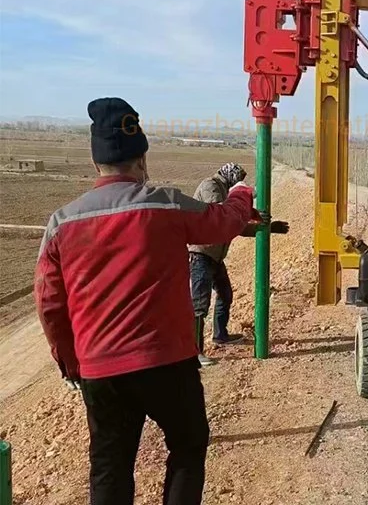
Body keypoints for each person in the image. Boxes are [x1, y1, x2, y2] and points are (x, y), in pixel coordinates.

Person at [34, 97, 263, 505]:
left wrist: (72, 361)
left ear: (96, 165)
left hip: (100, 369)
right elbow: (224, 220)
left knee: (110, 466)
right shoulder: (166, 204)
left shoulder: (61, 223)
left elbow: (50, 304)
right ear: (140, 160)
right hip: (168, 363)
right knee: (188, 448)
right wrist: (243, 193)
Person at [188, 163, 288, 365]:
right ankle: (194, 353)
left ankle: (220, 335)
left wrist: (267, 228)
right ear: (230, 176)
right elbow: (221, 214)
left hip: (215, 256)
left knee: (225, 294)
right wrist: (247, 212)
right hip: (201, 253)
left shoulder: (224, 191)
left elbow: (236, 226)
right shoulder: (211, 185)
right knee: (200, 305)